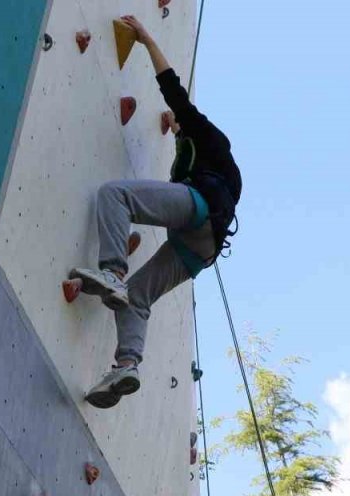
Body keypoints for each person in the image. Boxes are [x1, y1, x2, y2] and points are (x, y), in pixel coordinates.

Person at [72, 15, 243, 409]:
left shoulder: (211, 138)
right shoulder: (211, 161)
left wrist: (147, 39)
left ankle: (112, 270)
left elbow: (174, 93)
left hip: (196, 211)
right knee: (138, 296)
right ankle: (126, 365)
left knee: (116, 195)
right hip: (201, 250)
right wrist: (179, 132)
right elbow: (184, 155)